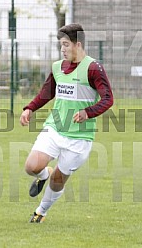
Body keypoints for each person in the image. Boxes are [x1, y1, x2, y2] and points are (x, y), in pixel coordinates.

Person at [20, 23, 113, 223]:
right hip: (55, 128)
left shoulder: (93, 68)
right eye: (60, 45)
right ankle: (44, 174)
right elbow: (47, 93)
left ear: (77, 45)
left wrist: (88, 112)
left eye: (65, 45)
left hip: (79, 137)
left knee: (58, 180)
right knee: (31, 166)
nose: (62, 49)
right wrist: (29, 108)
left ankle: (41, 212)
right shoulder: (57, 67)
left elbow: (108, 99)